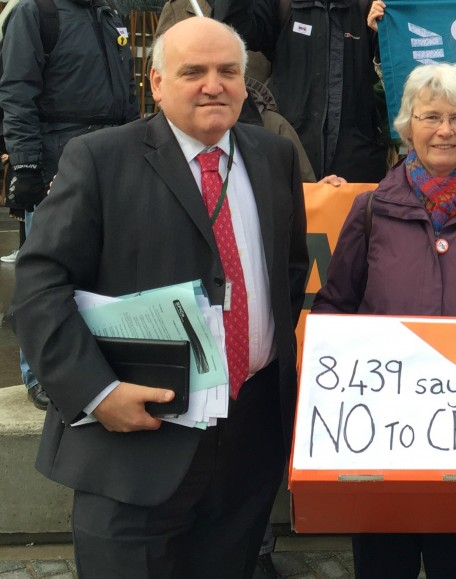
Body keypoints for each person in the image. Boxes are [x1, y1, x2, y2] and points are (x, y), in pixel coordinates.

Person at [11, 17, 308, 577]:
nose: (212, 85)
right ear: (156, 82)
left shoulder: (274, 156)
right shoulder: (98, 158)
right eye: (193, 71)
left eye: (227, 71)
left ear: (246, 83)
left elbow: (288, 270)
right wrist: (97, 392)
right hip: (135, 439)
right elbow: (38, 285)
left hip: (249, 435)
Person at [311, 62, 456, 579]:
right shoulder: (370, 209)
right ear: (408, 125)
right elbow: (334, 307)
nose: (445, 130)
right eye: (431, 116)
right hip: (378, 443)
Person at [0, 0, 139, 411]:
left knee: (108, 267)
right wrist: (25, 165)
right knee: (45, 272)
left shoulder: (111, 14)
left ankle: (97, 364)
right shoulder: (35, 13)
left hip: (112, 153)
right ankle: (39, 372)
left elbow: (128, 92)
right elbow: (16, 91)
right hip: (57, 158)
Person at [214, 0, 389, 182]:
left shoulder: (369, 5)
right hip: (288, 157)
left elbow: (397, 67)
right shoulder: (281, 5)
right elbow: (233, 33)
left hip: (357, 165)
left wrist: (386, 33)